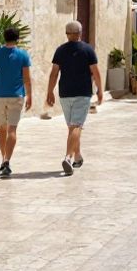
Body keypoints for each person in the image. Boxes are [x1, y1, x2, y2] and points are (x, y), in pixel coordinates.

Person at [46, 21, 102, 176]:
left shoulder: (60, 50)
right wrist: (100, 90)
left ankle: (77, 156)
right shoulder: (88, 50)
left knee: (72, 127)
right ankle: (68, 157)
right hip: (82, 93)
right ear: (80, 33)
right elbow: (95, 72)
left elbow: (54, 73)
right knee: (76, 126)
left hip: (65, 93)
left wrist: (50, 92)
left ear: (67, 34)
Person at [0, 27, 31, 178]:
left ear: (4, 37)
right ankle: (7, 160)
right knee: (12, 130)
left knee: (2, 128)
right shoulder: (23, 55)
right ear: (18, 39)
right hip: (16, 96)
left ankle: (4, 159)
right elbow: (27, 78)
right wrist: (30, 95)